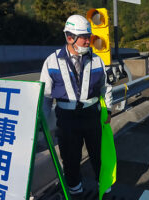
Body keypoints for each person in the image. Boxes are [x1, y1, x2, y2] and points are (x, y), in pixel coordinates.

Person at [40, 15, 113, 197]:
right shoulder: (51, 61)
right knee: (71, 158)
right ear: (70, 37)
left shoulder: (97, 60)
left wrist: (109, 109)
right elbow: (45, 97)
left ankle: (104, 187)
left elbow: (106, 87)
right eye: (84, 37)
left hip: (92, 116)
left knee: (99, 155)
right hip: (66, 119)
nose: (89, 41)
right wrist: (43, 123)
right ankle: (76, 190)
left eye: (89, 36)